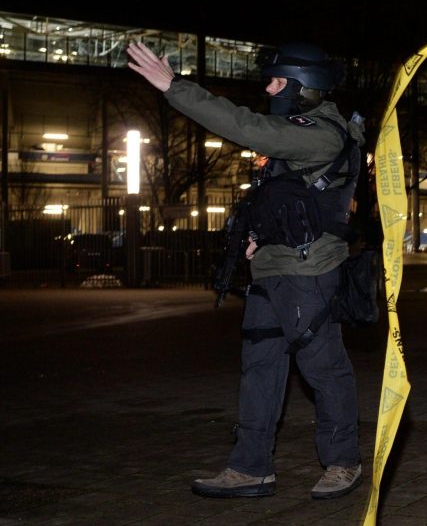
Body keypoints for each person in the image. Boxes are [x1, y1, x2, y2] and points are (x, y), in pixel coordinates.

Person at [126, 40, 366, 501]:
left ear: (305, 88)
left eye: (278, 82)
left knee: (323, 368)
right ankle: (250, 467)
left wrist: (174, 87)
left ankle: (342, 462)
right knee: (259, 367)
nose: (269, 89)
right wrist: (259, 235)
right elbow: (286, 198)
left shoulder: (321, 132)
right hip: (272, 267)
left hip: (308, 271)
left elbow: (246, 126)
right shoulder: (296, 131)